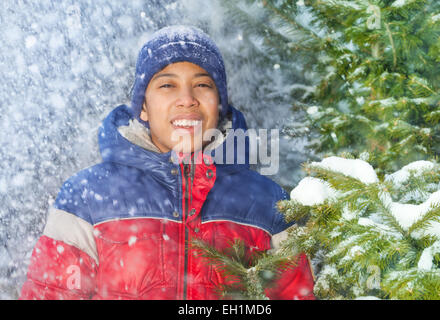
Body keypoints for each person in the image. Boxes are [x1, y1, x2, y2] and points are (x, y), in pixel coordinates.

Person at [20, 25, 315, 300]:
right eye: (167, 85)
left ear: (219, 104)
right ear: (143, 108)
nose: (187, 99)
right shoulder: (86, 197)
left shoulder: (267, 201)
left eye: (202, 84)